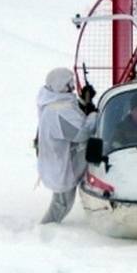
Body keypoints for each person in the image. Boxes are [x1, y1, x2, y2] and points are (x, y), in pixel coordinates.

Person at [36, 68, 95, 224]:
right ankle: (45, 230)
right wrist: (93, 115)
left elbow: (73, 114)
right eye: (69, 83)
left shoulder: (53, 101)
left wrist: (84, 103)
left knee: (61, 203)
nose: (72, 87)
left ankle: (47, 228)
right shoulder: (59, 110)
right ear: (60, 84)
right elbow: (81, 134)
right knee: (61, 204)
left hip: (60, 159)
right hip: (64, 163)